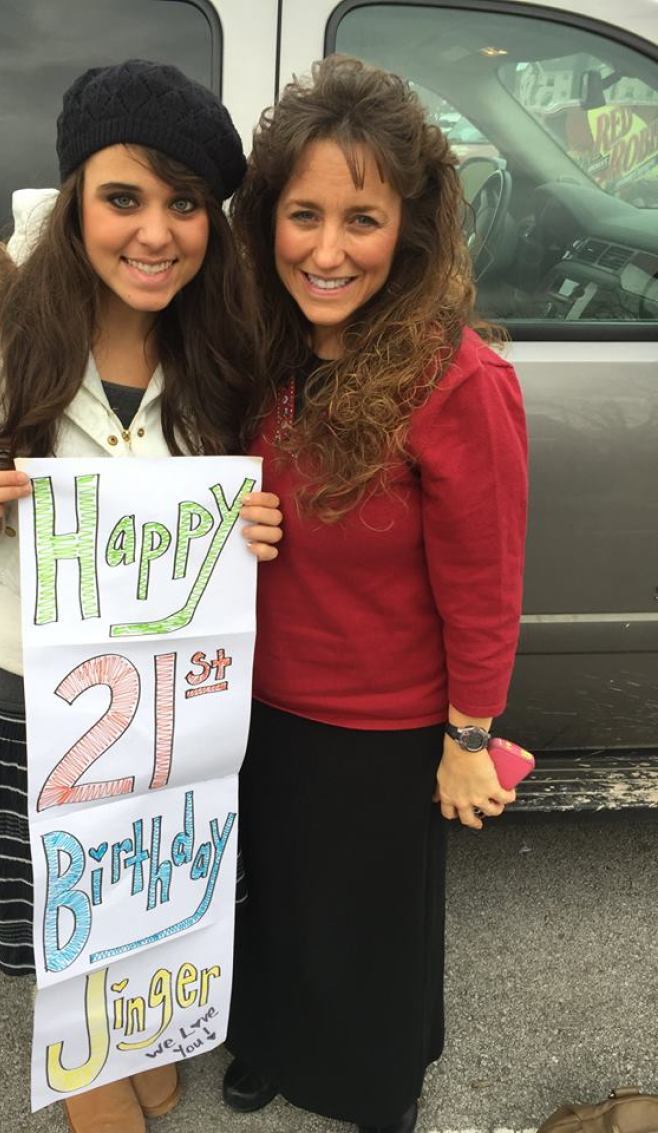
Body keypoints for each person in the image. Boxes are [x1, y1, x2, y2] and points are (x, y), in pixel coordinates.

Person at [0, 59, 282, 1133]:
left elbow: (231, 490)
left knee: (158, 862)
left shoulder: (220, 326)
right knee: (71, 879)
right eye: (124, 198)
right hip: (41, 686)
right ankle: (89, 1064)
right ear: (74, 194)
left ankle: (140, 1023)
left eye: (185, 204)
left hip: (181, 683)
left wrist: (253, 526)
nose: (156, 233)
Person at [223, 55, 528, 1133]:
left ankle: (372, 1083)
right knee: (271, 898)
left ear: (411, 221)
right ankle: (264, 1037)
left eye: (362, 218)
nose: (327, 248)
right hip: (253, 698)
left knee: (368, 925)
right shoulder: (253, 348)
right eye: (303, 214)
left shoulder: (456, 380)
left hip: (384, 720)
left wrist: (468, 733)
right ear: (266, 219)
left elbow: (485, 584)